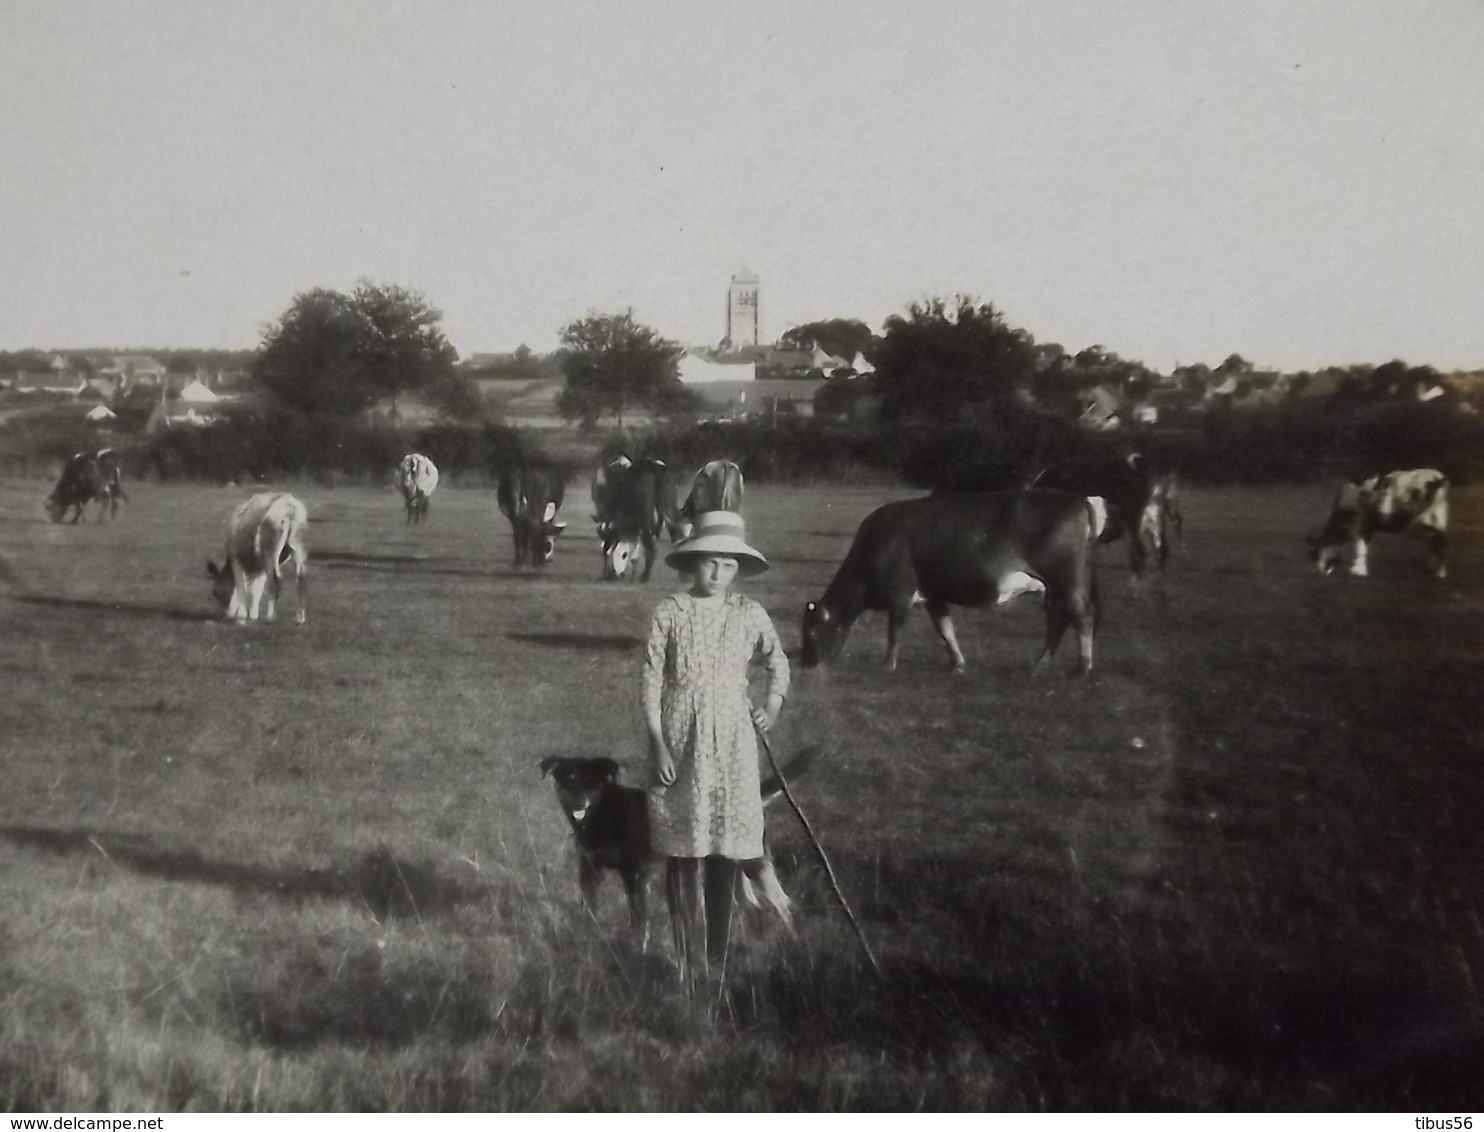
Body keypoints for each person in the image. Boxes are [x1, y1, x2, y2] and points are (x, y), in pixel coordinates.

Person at [643, 510, 790, 987]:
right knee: (685, 848)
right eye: (711, 562)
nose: (719, 573)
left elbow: (777, 660)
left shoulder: (748, 613)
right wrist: (659, 745)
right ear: (694, 561)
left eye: (729, 565)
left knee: (725, 848)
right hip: (681, 741)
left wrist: (770, 705)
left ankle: (716, 959)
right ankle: (687, 957)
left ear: (739, 569)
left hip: (732, 745)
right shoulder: (670, 612)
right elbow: (647, 683)